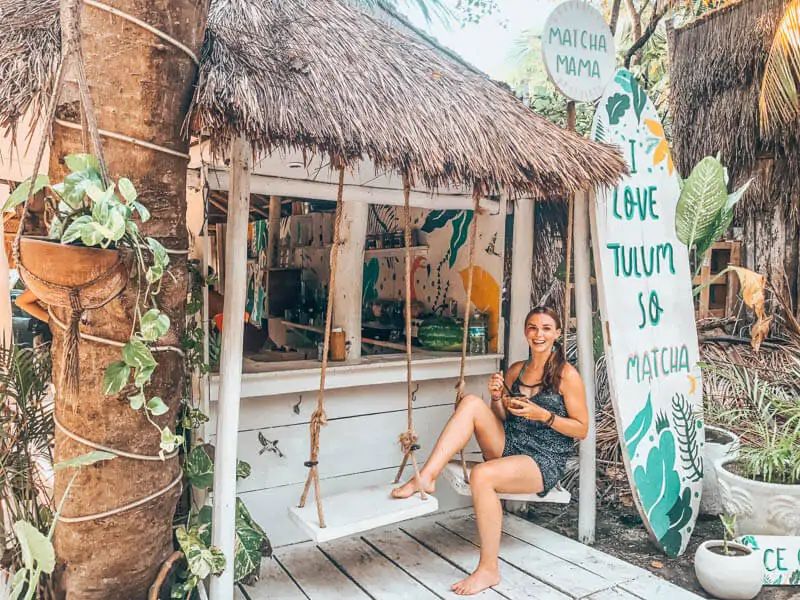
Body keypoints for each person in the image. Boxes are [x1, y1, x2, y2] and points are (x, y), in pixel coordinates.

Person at [391, 306, 589, 595]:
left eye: (546, 328)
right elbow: (503, 418)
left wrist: (543, 416)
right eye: (533, 327)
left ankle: (488, 570)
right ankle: (426, 477)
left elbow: (582, 429)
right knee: (472, 401)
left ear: (557, 333)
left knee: (482, 475)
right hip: (510, 444)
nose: (539, 334)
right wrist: (497, 398)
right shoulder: (516, 370)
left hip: (542, 459)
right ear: (526, 332)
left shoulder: (566, 375)